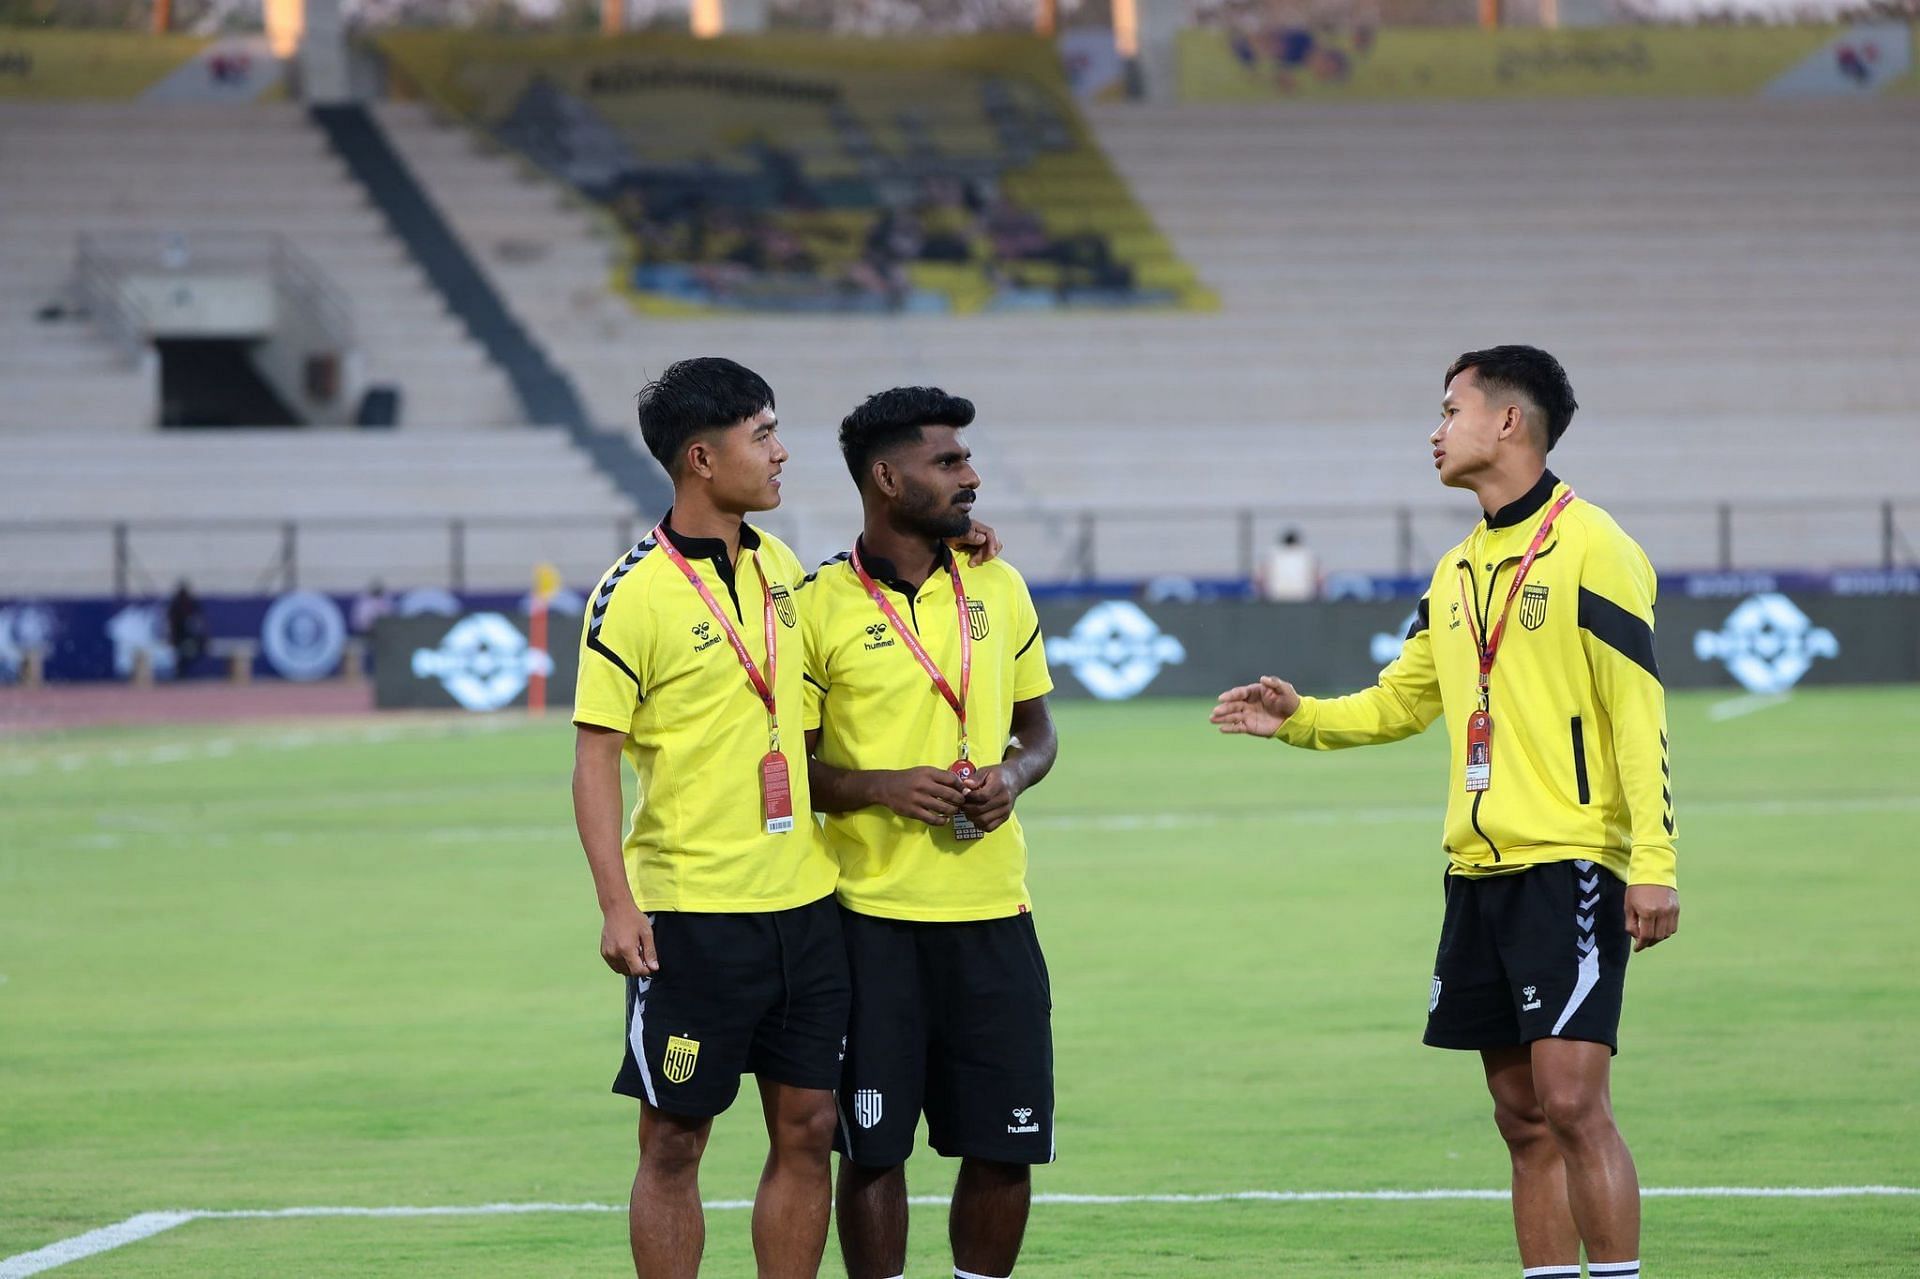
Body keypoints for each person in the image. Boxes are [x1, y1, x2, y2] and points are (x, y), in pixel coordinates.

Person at [1211, 346, 1679, 1279]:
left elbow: (1639, 714)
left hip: (1571, 867)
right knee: (1520, 1118)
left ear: (1508, 422)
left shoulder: (1598, 547)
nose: (1434, 430)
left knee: (1575, 1103)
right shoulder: (1458, 567)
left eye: (1449, 409)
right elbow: (1402, 700)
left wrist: (1655, 862)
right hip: (1476, 874)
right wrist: (1300, 719)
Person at [571, 357, 847, 1279]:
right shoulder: (630, 591)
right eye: (761, 435)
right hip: (691, 914)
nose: (780, 453)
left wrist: (957, 547)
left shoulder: (782, 565)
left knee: (809, 1130)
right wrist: (617, 903)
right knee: (675, 1140)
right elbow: (594, 763)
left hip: (807, 904)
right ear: (701, 457)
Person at [802, 387, 1059, 1279]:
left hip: (995, 910)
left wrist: (1012, 777)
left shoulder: (1000, 582)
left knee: (1006, 1142)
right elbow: (790, 762)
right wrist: (879, 786)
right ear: (885, 476)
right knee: (872, 1148)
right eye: (947, 462)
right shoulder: (816, 606)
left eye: (967, 459)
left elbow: (1039, 730)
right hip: (867, 919)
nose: (971, 477)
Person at [1256, 527, 1318, 602]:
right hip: (1303, 595)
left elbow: (1260, 577)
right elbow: (1317, 577)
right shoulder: (1307, 554)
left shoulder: (1272, 553)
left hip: (1276, 595)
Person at [166, 580, 207, 674]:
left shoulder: (193, 605)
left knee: (189, 656)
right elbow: (171, 623)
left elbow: (201, 622)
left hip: (192, 638)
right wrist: (172, 637)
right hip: (179, 637)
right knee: (179, 658)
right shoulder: (176, 606)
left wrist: (204, 638)